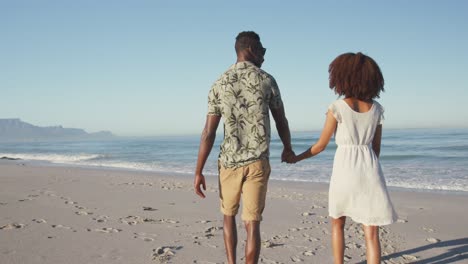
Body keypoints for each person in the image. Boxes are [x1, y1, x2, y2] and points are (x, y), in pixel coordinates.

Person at [287, 52, 397, 264]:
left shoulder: (337, 107)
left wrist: (295, 158)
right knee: (371, 232)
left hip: (345, 170)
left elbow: (320, 146)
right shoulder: (377, 110)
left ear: (342, 77)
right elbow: (376, 149)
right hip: (370, 169)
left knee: (338, 223)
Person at [194, 31, 293, 264]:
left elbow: (208, 132)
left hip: (228, 163)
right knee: (253, 223)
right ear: (249, 49)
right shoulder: (267, 79)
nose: (264, 56)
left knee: (228, 217)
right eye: (262, 50)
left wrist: (198, 170)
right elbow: (281, 121)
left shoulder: (219, 83)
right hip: (258, 162)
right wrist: (287, 148)